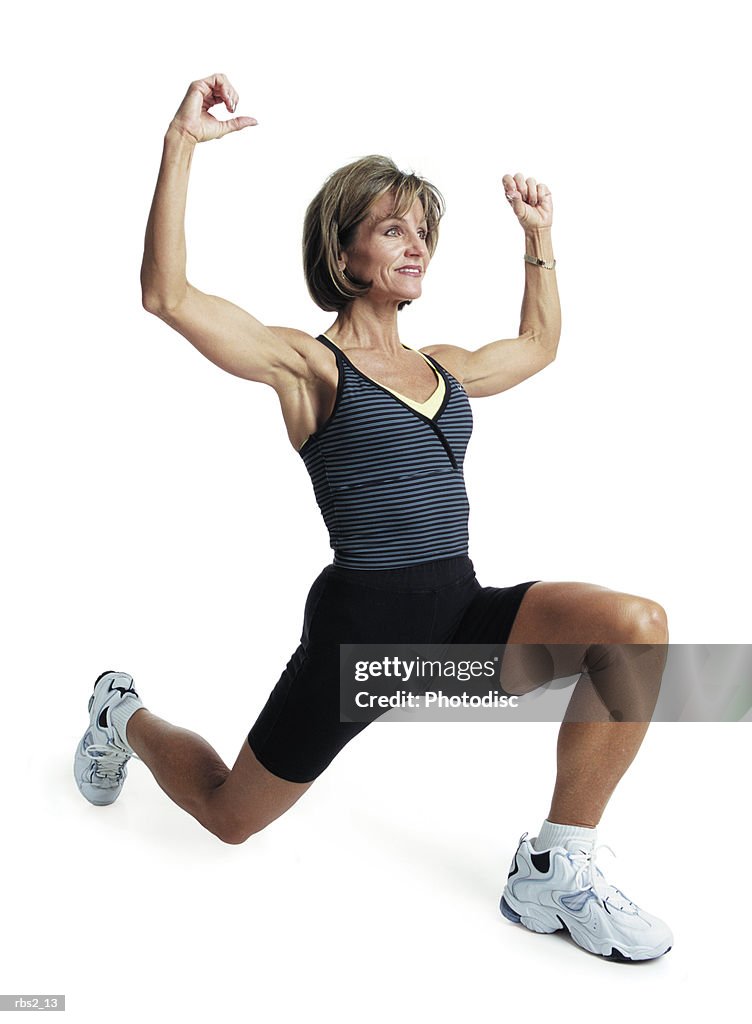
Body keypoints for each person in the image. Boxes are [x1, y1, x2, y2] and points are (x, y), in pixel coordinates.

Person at [74, 73, 673, 962]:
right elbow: (169, 296)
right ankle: (120, 714)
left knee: (636, 629)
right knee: (230, 817)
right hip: (364, 643)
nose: (415, 245)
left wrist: (539, 238)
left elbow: (540, 345)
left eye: (423, 232)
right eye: (392, 228)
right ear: (344, 253)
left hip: (460, 624)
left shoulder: (445, 365)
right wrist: (181, 144)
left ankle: (555, 869)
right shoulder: (307, 368)